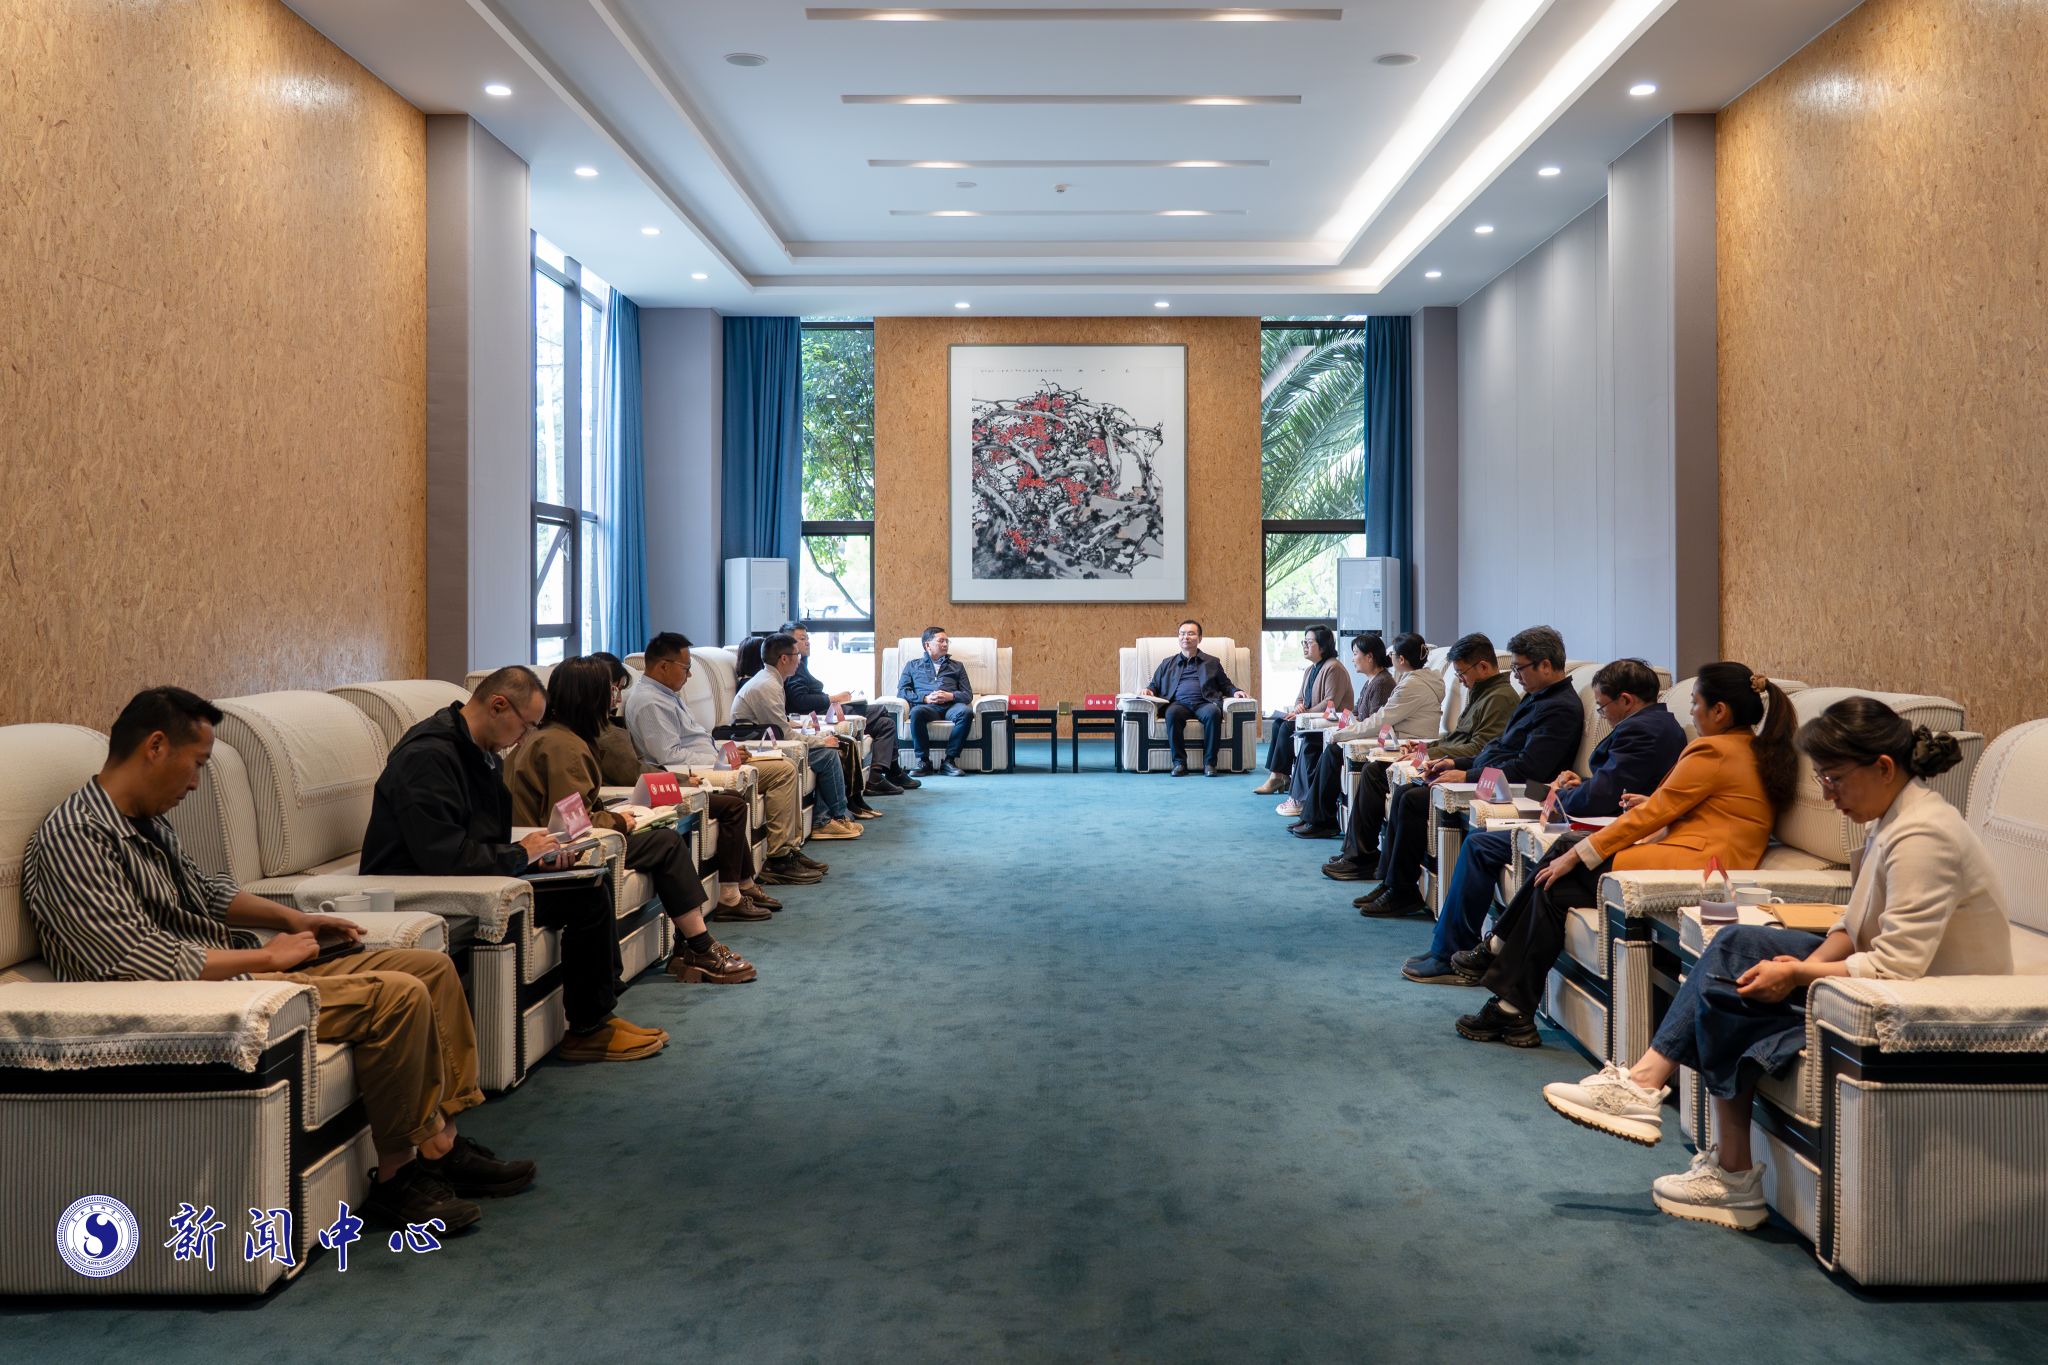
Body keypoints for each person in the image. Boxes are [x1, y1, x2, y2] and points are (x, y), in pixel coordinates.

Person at [24, 686, 536, 1233]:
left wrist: (294, 920)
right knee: (397, 997)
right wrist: (268, 958)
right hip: (195, 996)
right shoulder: (77, 836)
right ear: (155, 746)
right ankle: (398, 1176)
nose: (196, 783)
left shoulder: (144, 820)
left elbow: (208, 892)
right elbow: (135, 959)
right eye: (196, 763)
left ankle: (443, 1145)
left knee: (429, 968)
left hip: (239, 969)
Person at [1539, 698, 2012, 1230]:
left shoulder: (1923, 835)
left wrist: (1797, 973)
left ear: (1883, 767)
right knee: (1736, 945)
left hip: (1921, 998)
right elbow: (1853, 926)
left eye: (1833, 779)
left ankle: (1721, 1166)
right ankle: (1655, 1095)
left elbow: (1897, 965)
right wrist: (1799, 962)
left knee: (1729, 990)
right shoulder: (1892, 817)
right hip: (1886, 974)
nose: (1828, 795)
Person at [1453, 663, 1797, 1047]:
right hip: (1710, 859)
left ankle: (1500, 960)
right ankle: (1510, 1007)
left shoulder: (1713, 749)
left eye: (1696, 703)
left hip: (1697, 865)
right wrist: (1648, 805)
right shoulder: (1748, 747)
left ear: (1719, 711)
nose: (1691, 713)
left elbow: (1653, 816)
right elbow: (1716, 809)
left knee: (1567, 851)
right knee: (1556, 888)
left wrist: (1580, 853)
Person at [359, 667, 678, 1064]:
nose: (525, 737)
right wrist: (520, 855)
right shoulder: (428, 756)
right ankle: (588, 1028)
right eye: (526, 725)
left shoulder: (479, 751)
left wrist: (539, 857)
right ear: (498, 706)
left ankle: (597, 1018)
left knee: (589, 882)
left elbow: (487, 837)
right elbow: (442, 855)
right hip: (425, 885)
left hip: (476, 876)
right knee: (586, 898)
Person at [1401, 658, 1686, 982]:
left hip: (1602, 829)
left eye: (1603, 707)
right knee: (1479, 841)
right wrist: (1579, 783)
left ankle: (1451, 952)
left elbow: (1601, 797)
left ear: (1626, 700)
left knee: (1480, 845)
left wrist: (1558, 795)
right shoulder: (1648, 724)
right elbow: (1609, 783)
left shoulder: (1644, 730)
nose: (1601, 714)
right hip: (1588, 815)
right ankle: (1450, 947)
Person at [507, 657, 776, 944]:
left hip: (546, 840)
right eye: (611, 691)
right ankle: (699, 943)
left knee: (672, 833)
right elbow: (571, 822)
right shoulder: (566, 746)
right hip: (556, 850)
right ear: (590, 697)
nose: (616, 699)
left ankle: (694, 942)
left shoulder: (552, 736)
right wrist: (618, 820)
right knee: (667, 841)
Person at [1360, 625, 1583, 920]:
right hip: (1489, 774)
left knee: (1413, 799)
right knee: (1405, 792)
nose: (1516, 676)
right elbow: (1495, 748)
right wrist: (1457, 764)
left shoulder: (1559, 707)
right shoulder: (1535, 697)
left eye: (1520, 669)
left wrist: (1468, 775)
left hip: (1518, 789)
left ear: (1544, 665)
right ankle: (1392, 882)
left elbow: (1528, 769)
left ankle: (1402, 890)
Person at [626, 632, 823, 887]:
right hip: (690, 772)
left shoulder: (666, 694)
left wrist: (726, 754)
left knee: (786, 765)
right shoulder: (649, 703)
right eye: (685, 668)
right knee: (782, 772)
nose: (690, 675)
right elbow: (670, 757)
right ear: (663, 666)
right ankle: (779, 859)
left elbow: (695, 741)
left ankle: (789, 849)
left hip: (713, 761)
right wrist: (721, 758)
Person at [1323, 633, 1508, 883]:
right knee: (1376, 773)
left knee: (1382, 778)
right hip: (1437, 754)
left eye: (1462, 673)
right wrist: (1425, 748)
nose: (1460, 680)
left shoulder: (1497, 697)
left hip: (1460, 766)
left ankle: (1367, 861)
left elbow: (1479, 747)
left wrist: (1429, 753)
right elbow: (1456, 738)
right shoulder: (1480, 692)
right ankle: (1370, 863)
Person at [1291, 632, 1444, 839]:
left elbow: (1378, 721)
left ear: (1401, 659)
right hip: (1396, 739)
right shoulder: (1410, 680)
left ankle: (1320, 819)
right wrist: (1344, 729)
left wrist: (1342, 734)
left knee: (1332, 750)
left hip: (1403, 744)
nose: (1389, 658)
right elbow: (1365, 716)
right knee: (1321, 745)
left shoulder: (1404, 684)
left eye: (1356, 653)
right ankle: (1314, 816)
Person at [735, 633, 866, 838]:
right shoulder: (767, 685)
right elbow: (784, 735)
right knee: (827, 754)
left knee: (829, 749)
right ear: (784, 659)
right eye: (796, 655)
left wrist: (817, 737)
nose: (800, 659)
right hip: (759, 746)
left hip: (768, 740)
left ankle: (828, 817)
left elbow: (780, 725)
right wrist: (821, 741)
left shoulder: (771, 679)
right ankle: (828, 820)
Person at [782, 621, 917, 794]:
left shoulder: (801, 664)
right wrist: (834, 698)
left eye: (808, 638)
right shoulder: (793, 668)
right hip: (819, 715)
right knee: (882, 711)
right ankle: (893, 772)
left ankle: (876, 776)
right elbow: (799, 701)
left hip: (825, 710)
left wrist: (835, 698)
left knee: (886, 724)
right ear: (788, 644)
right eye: (802, 639)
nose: (807, 642)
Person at [1138, 619, 1250, 777]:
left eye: (1191, 633)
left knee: (1213, 713)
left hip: (1205, 702)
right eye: (1182, 634)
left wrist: (1235, 691)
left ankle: (1210, 764)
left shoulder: (1212, 662)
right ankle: (1179, 764)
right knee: (1171, 714)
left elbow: (1225, 684)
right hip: (1178, 704)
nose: (1186, 637)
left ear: (1200, 638)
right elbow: (1154, 685)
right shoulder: (1167, 663)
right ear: (1178, 637)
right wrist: (1149, 690)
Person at [1261, 625, 1355, 811]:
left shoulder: (1334, 668)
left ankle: (1278, 777)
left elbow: (1331, 703)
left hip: (1329, 721)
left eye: (1309, 642)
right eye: (1304, 642)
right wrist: (1298, 708)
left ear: (1323, 646)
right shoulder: (1310, 670)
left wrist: (1304, 713)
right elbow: (1300, 698)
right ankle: (1279, 775)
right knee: (1279, 724)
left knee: (1287, 727)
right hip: (1310, 717)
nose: (1304, 646)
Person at [897, 625, 977, 776]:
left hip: (951, 706)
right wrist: (925, 698)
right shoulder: (912, 666)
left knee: (966, 712)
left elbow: (968, 695)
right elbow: (902, 692)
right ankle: (924, 762)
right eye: (941, 641)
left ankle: (949, 761)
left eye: (947, 641)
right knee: (916, 712)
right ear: (927, 645)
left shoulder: (957, 666)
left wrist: (950, 696)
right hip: (927, 708)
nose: (945, 644)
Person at [588, 651, 651, 787]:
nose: (619, 699)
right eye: (617, 690)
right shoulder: (606, 733)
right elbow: (634, 774)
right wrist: (676, 779)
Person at [1351, 633, 1397, 722]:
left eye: (1355, 654)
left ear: (1369, 657)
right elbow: (1355, 712)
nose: (1352, 659)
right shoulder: (1371, 681)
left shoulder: (1381, 683)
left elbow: (1375, 724)